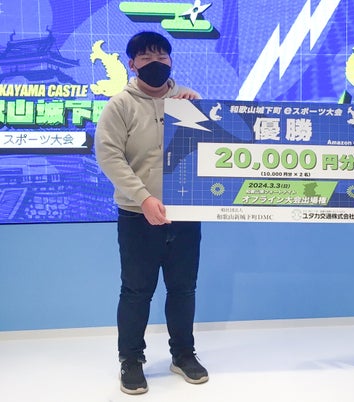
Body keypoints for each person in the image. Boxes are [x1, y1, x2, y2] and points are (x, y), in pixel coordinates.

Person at [95, 31, 208, 395]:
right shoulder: (120, 105)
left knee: (183, 289)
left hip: (184, 213)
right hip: (137, 215)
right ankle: (131, 360)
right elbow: (109, 156)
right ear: (132, 64)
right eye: (146, 58)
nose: (155, 63)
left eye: (162, 56)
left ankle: (183, 354)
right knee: (136, 291)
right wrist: (143, 198)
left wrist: (203, 112)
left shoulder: (188, 101)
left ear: (171, 60)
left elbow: (214, 152)